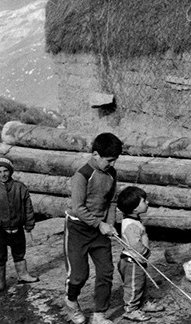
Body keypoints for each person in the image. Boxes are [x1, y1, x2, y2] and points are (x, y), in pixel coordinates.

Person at [64, 132, 123, 324]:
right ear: (96, 154)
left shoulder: (111, 174)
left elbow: (112, 201)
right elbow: (78, 207)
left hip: (100, 230)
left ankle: (99, 315)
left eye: (115, 160)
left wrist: (110, 225)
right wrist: (100, 224)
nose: (112, 164)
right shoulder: (82, 176)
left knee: (106, 271)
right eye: (109, 160)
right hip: (78, 229)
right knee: (79, 275)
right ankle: (71, 301)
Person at [116, 186, 164, 322]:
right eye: (144, 201)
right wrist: (146, 252)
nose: (147, 202)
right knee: (133, 286)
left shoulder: (134, 219)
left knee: (140, 283)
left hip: (138, 261)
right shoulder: (131, 225)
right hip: (132, 261)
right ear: (135, 208)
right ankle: (131, 309)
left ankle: (142, 303)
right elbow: (135, 245)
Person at [0, 157, 38, 292]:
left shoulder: (20, 187)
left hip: (17, 227)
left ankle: (23, 275)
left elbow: (28, 207)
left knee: (19, 252)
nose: (3, 174)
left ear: (10, 171)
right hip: (0, 230)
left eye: (5, 171)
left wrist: (29, 224)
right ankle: (0, 281)